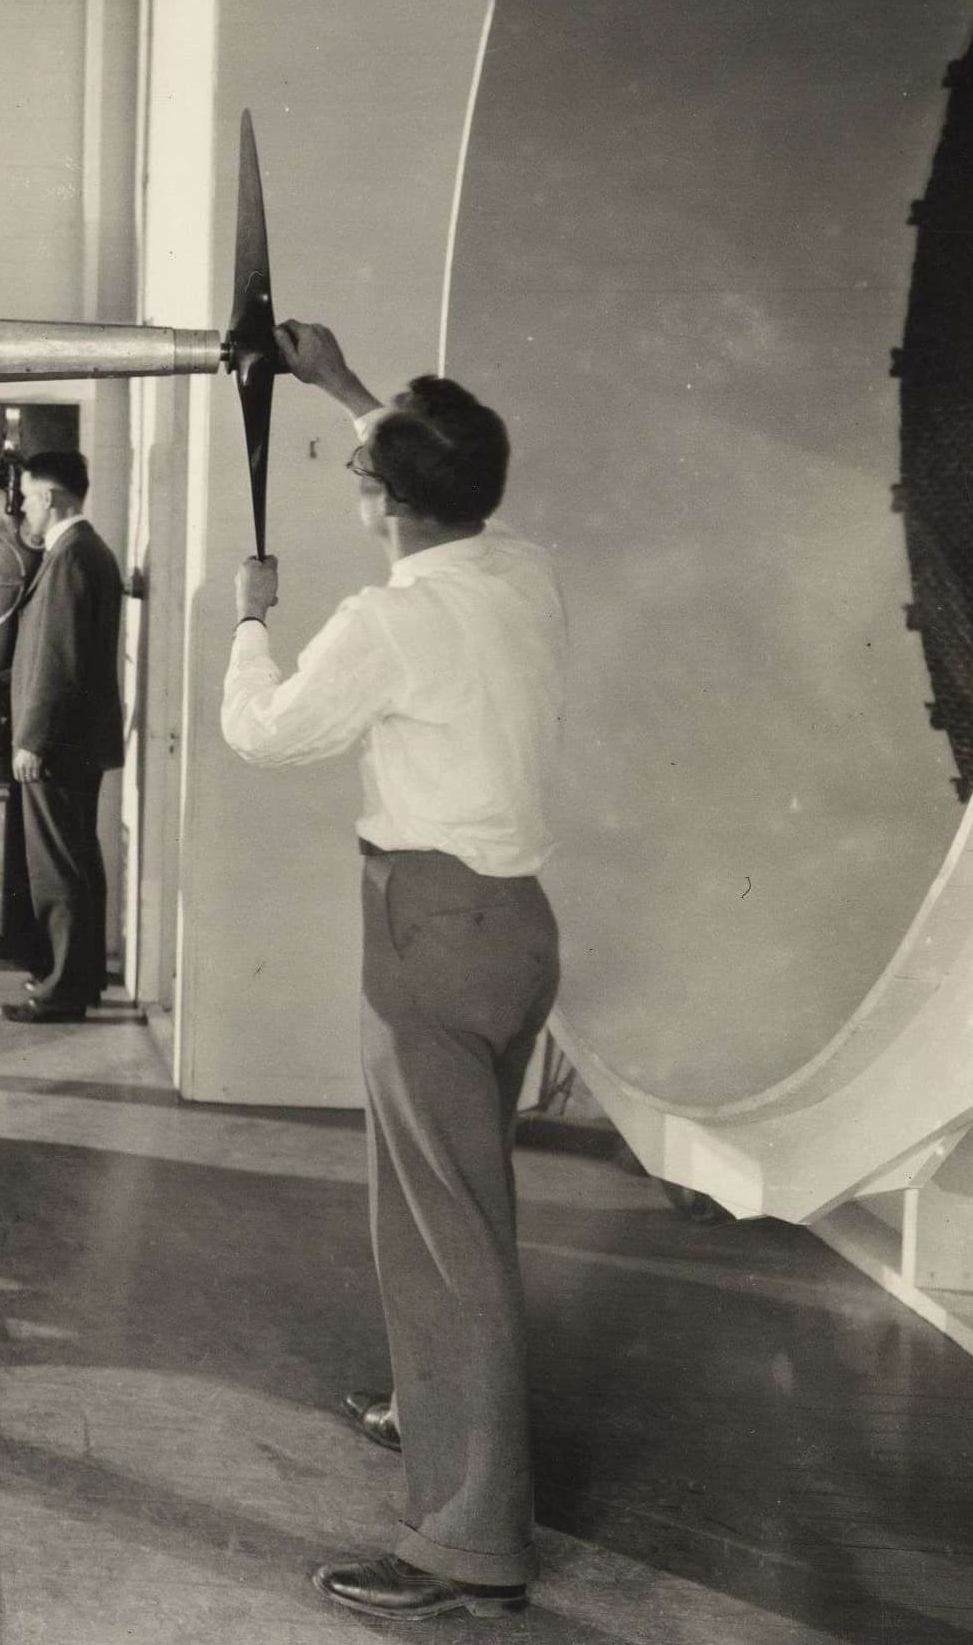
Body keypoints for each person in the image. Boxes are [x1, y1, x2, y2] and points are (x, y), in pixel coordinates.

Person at [220, 322, 565, 1625]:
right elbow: (431, 485)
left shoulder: (386, 619)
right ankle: (436, 1412)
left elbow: (264, 734)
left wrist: (251, 624)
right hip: (516, 930)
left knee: (439, 1241)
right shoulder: (518, 570)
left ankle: (465, 1547)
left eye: (365, 471)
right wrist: (346, 389)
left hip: (427, 932)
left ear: (377, 500)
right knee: (461, 1217)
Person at [0, 448, 125, 1023]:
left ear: (52, 499)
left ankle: (61, 989)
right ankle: (77, 981)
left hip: (57, 745)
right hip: (75, 741)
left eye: (29, 499)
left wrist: (30, 739)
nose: (25, 511)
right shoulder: (82, 554)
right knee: (76, 863)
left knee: (58, 870)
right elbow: (54, 654)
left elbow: (61, 661)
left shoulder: (71, 556)